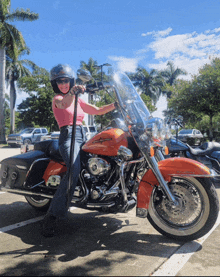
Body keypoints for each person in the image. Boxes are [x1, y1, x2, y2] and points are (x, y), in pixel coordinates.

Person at [42, 64, 116, 237]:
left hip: (83, 135)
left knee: (98, 164)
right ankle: (51, 216)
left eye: (66, 81)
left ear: (70, 80)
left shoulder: (78, 99)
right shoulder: (58, 98)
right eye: (60, 82)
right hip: (68, 137)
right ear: (56, 84)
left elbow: (97, 111)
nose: (63, 84)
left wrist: (116, 104)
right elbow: (64, 103)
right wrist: (72, 92)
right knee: (74, 169)